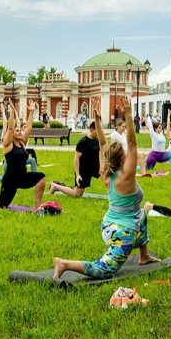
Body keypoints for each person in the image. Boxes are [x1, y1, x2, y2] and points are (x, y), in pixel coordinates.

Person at [52, 96, 159, 280]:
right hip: (122, 232)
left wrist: (99, 124)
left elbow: (102, 143)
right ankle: (65, 264)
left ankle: (144, 256)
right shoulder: (126, 176)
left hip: (109, 225)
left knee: (142, 216)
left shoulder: (106, 172)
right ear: (123, 159)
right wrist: (128, 114)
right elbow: (133, 143)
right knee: (104, 269)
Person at [0, 100, 47, 211]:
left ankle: (37, 208)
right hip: (10, 180)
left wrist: (32, 111)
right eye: (17, 131)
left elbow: (28, 128)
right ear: (12, 134)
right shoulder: (7, 145)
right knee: (2, 205)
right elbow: (10, 127)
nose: (20, 132)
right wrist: (12, 113)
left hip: (22, 177)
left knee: (41, 178)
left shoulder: (22, 142)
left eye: (20, 130)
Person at [49, 115, 101, 198]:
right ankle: (55, 186)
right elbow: (76, 158)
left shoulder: (97, 140)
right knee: (77, 194)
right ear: (91, 129)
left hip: (94, 168)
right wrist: (78, 175)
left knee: (109, 177)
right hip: (84, 170)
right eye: (98, 130)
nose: (100, 133)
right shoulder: (83, 142)